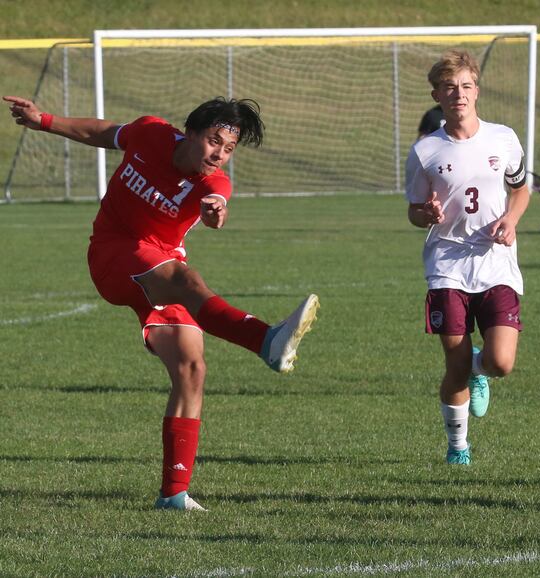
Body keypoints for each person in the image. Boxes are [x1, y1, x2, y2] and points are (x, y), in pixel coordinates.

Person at [4, 95, 319, 511]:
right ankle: (265, 341)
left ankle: (173, 494)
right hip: (113, 254)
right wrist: (44, 120)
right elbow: (102, 132)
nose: (219, 155)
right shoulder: (150, 133)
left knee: (192, 368)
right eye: (213, 141)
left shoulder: (212, 183)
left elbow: (219, 195)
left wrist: (216, 208)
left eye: (228, 149)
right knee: (186, 279)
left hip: (159, 262)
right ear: (189, 132)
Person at [405, 50, 530, 466]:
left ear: (477, 90)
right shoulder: (425, 151)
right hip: (447, 265)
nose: (458, 94)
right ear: (437, 95)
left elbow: (521, 189)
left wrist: (511, 220)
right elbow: (413, 210)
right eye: (449, 87)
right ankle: (458, 446)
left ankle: (479, 370)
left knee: (500, 362)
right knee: (454, 363)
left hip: (496, 261)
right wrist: (427, 213)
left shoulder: (503, 138)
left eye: (466, 86)